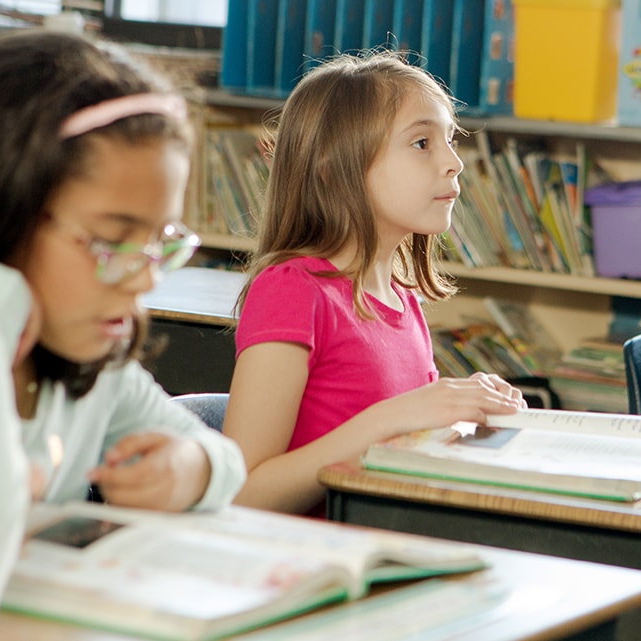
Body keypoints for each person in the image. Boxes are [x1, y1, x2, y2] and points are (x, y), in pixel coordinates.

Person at [0, 31, 247, 631]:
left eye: (158, 243)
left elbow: (223, 456)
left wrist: (190, 467)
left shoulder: (81, 358)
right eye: (113, 240)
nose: (145, 283)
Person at [223, 51, 526, 515]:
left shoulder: (402, 298)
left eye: (450, 139)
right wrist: (390, 420)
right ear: (334, 166)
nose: (454, 163)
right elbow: (242, 494)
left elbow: (400, 452)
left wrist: (464, 411)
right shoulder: (291, 291)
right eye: (422, 143)